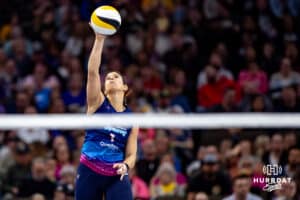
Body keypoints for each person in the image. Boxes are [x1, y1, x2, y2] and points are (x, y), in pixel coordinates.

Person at [74, 30, 139, 200]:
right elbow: (93, 72)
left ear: (125, 88)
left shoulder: (132, 120)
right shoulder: (96, 102)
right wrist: (99, 39)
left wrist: (126, 165)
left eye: (116, 76)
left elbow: (132, 155)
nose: (110, 77)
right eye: (108, 77)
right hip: (89, 169)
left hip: (115, 172)